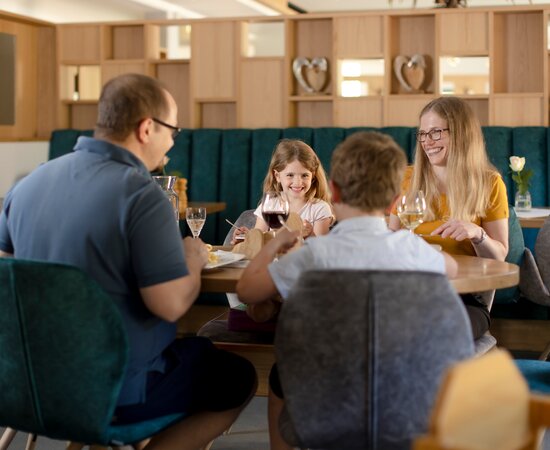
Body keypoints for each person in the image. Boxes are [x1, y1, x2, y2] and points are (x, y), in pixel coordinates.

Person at [0, 73, 256, 449]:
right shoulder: (141, 196)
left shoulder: (27, 184)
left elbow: (9, 275)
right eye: (173, 130)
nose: (172, 143)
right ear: (147, 128)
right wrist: (192, 256)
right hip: (111, 396)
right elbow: (169, 305)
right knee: (235, 376)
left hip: (21, 385)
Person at [236, 131, 457, 450]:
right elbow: (450, 268)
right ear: (396, 199)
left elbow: (247, 290)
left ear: (334, 191)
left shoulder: (313, 254)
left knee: (280, 375)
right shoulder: (411, 249)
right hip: (405, 396)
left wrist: (277, 244)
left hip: (326, 400)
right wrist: (415, 245)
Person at [388, 96, 509, 340]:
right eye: (422, 134)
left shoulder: (489, 183)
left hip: (464, 299)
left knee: (429, 333)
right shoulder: (407, 179)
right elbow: (389, 241)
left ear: (461, 133)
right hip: (409, 292)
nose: (427, 142)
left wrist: (478, 234)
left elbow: (499, 258)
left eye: (436, 132)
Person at [232, 139, 333, 242]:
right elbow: (258, 242)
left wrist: (310, 234)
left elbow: (322, 251)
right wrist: (245, 239)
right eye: (290, 175)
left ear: (313, 176)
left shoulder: (319, 209)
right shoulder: (270, 205)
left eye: (304, 175)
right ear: (277, 176)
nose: (298, 182)